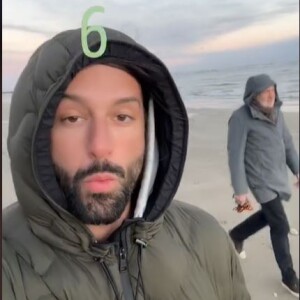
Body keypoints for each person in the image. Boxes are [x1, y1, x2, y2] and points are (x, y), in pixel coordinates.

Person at [2, 27, 250, 300]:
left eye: (122, 117)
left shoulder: (208, 240)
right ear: (37, 136)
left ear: (149, 131)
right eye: (73, 118)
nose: (100, 146)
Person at [227, 74, 299, 298]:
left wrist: (297, 169)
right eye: (265, 91)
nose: (271, 94)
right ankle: (289, 276)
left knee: (269, 216)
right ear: (253, 95)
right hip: (260, 179)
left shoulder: (277, 112)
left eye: (273, 90)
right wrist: (240, 189)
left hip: (277, 176)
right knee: (280, 225)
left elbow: (287, 144)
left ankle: (236, 235)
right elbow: (235, 154)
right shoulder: (240, 118)